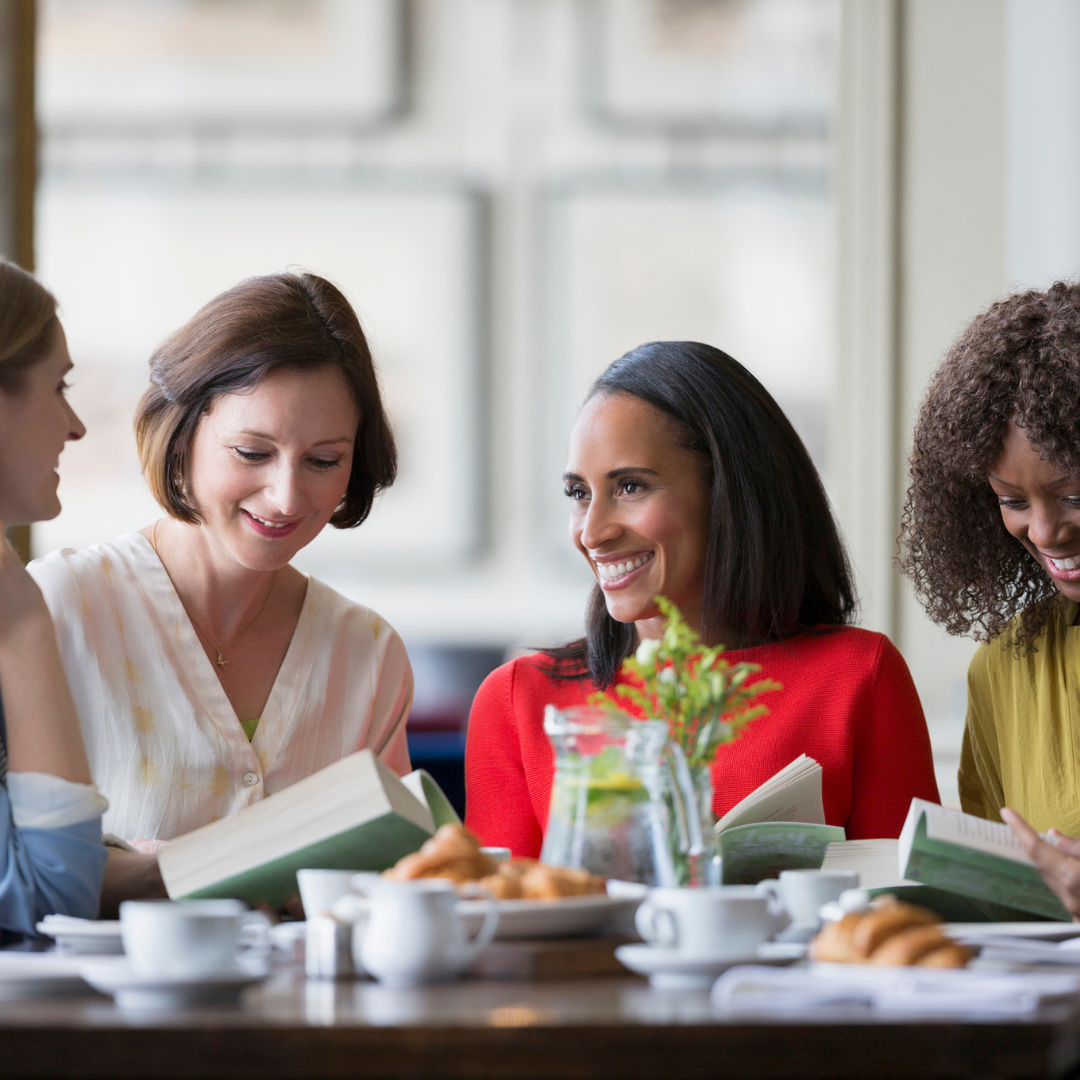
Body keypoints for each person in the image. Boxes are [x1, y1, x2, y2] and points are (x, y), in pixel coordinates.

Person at [465, 341, 939, 857]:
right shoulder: (518, 701)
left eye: (629, 486)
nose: (592, 532)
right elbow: (496, 924)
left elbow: (907, 916)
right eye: (579, 493)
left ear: (729, 493)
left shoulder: (860, 678)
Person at [28, 272, 413, 847]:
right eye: (252, 452)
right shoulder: (57, 609)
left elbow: (396, 879)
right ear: (181, 435)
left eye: (324, 461)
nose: (286, 497)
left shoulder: (366, 654)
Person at [898, 280, 1080, 913]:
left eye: (1074, 494)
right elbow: (1000, 902)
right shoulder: (1004, 670)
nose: (1046, 530)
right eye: (1012, 500)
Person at [0, 260, 108, 935]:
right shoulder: (17, 608)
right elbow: (45, 906)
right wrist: (24, 621)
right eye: (58, 386)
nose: (76, 426)